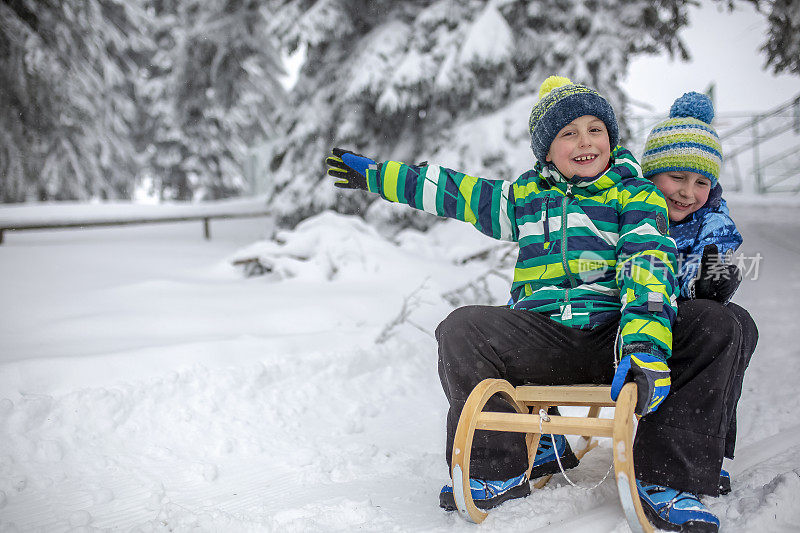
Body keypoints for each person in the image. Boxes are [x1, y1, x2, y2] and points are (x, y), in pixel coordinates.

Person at [325, 76, 729, 532]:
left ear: (611, 139)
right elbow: (454, 192)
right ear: (546, 149)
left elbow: (647, 266)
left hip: (609, 339)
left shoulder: (634, 194)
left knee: (716, 323)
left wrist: (644, 347)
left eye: (595, 129)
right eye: (567, 133)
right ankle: (504, 464)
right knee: (461, 327)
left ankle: (666, 479)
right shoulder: (524, 198)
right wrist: (379, 175)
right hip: (544, 339)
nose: (584, 142)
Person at [639, 91, 759, 506]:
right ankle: (666, 462)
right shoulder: (633, 211)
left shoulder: (712, 220)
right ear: (651, 174)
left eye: (702, 181)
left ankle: (704, 446)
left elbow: (714, 260)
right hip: (637, 317)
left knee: (740, 323)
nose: (688, 192)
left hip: (684, 317)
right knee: (717, 323)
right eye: (677, 177)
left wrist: (713, 279)